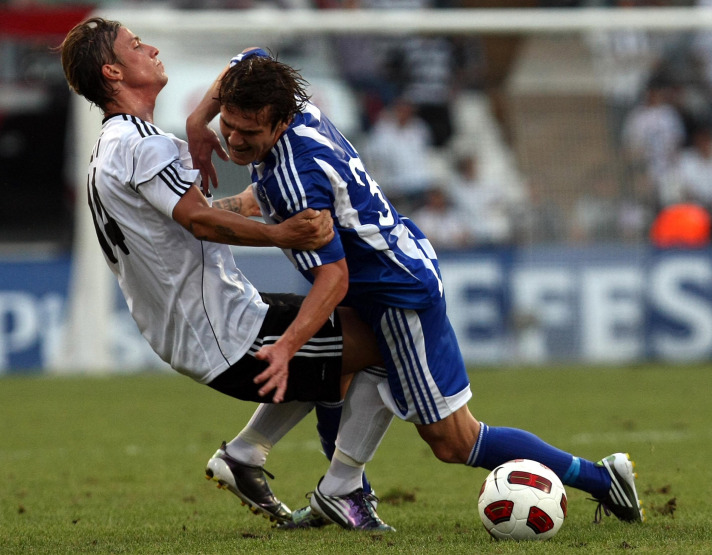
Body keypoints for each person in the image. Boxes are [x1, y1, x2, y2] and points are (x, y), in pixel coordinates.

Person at [186, 50, 646, 529]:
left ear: (279, 122)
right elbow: (251, 59)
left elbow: (333, 276)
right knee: (332, 371)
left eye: (248, 132)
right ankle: (316, 481)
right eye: (228, 124)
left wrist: (285, 348)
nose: (234, 139)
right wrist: (199, 119)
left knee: (455, 441)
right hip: (382, 275)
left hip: (394, 294)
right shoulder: (294, 109)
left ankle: (600, 477)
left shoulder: (297, 179)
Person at [58, 17, 392, 528]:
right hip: (225, 334)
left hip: (206, 327)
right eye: (135, 45)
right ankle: (340, 488)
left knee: (340, 337)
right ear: (113, 72)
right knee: (386, 343)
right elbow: (200, 221)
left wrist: (199, 124)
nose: (150, 47)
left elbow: (197, 214)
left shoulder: (116, 144)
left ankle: (246, 453)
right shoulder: (141, 143)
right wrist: (285, 234)